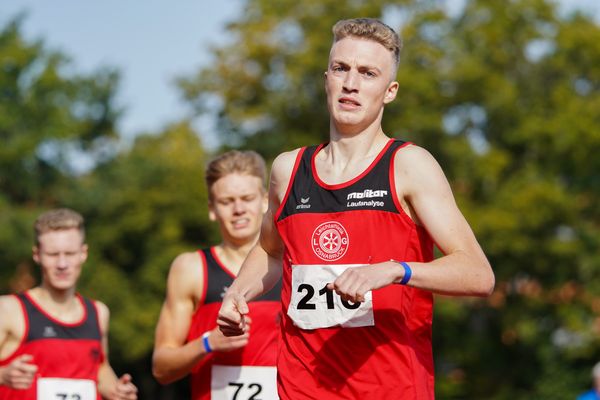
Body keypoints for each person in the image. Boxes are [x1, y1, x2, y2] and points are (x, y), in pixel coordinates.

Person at [217, 18, 495, 399]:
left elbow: (478, 274)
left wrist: (394, 270)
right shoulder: (288, 169)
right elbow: (271, 250)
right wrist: (237, 294)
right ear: (326, 78)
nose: (351, 83)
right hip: (302, 389)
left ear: (390, 91)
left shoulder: (408, 166)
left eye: (368, 73)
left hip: (391, 389)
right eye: (340, 68)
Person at [152, 150, 281, 399]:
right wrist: (208, 343)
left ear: (265, 201)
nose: (239, 209)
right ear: (212, 209)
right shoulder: (191, 268)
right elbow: (161, 367)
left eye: (247, 198)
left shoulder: (293, 263)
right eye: (227, 201)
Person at [0, 208, 138, 400]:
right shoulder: (9, 309)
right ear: (37, 255)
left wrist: (118, 391)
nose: (62, 264)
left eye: (70, 254)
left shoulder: (98, 312)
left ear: (83, 253)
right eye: (53, 254)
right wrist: (3, 375)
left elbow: (100, 369)